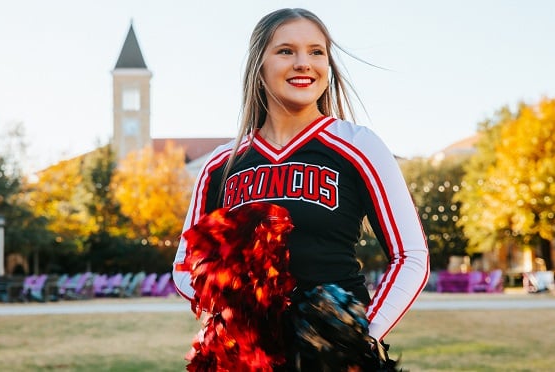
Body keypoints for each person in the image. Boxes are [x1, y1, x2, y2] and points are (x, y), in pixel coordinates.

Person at [173, 7, 429, 370]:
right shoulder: (221, 164)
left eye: (316, 51)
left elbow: (411, 256)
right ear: (258, 67)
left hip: (334, 358)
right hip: (248, 360)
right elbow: (185, 266)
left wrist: (359, 337)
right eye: (286, 51)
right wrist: (237, 318)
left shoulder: (358, 145)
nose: (303, 63)